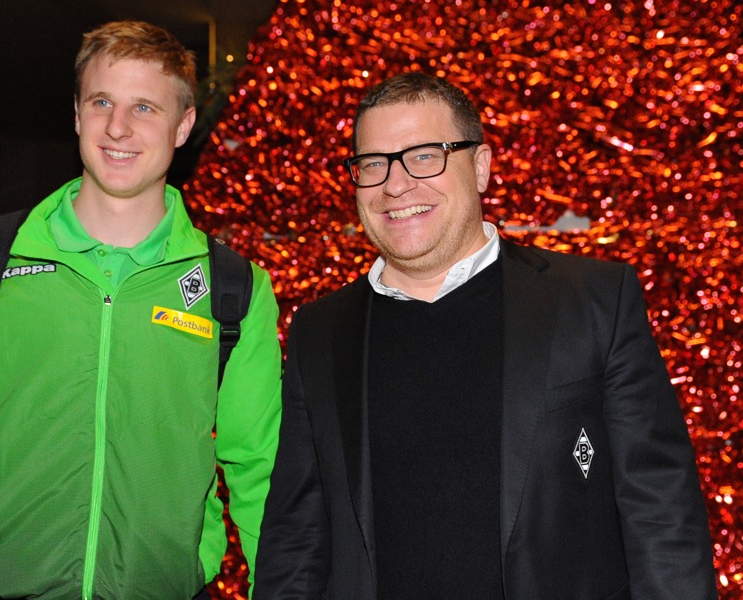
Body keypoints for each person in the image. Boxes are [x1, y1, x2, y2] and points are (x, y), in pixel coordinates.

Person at [256, 72, 717, 599]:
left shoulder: (591, 302)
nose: (396, 184)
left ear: (480, 167)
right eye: (373, 163)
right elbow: (295, 537)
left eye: (425, 155)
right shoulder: (320, 330)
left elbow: (660, 510)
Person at [0, 21, 281, 599]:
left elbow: (259, 470)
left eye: (145, 106)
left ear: (184, 125)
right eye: (101, 102)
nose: (118, 127)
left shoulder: (233, 288)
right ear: (76, 113)